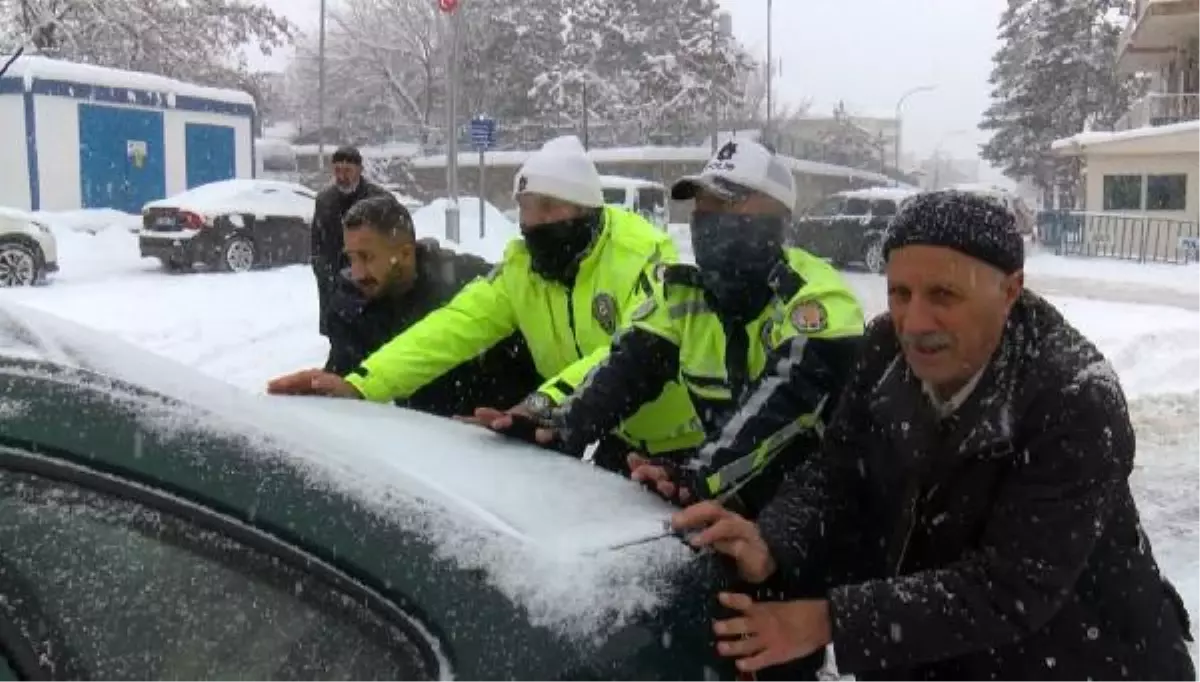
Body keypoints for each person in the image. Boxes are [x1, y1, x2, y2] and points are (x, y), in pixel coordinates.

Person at [671, 190, 1195, 681]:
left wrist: (826, 620)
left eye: (943, 294)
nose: (914, 321)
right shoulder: (883, 348)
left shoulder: (1074, 397)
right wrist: (772, 541)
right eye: (900, 292)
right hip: (938, 658)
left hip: (1088, 662)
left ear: (1009, 290)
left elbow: (1010, 589)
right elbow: (837, 475)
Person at [266, 135, 705, 462]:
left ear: (585, 208)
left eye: (549, 208)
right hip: (612, 435)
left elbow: (627, 353)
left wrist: (542, 404)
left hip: (687, 441)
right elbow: (454, 326)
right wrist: (363, 382)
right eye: (527, 208)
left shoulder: (644, 256)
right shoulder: (524, 268)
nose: (534, 223)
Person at [525, 140, 865, 517]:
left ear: (777, 215)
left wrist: (700, 477)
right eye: (701, 205)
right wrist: (562, 426)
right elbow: (630, 366)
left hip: (822, 518)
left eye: (725, 203)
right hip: (740, 508)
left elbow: (788, 399)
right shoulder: (685, 295)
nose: (707, 216)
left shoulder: (816, 297)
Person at [270, 194, 539, 417]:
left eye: (367, 257)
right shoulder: (351, 306)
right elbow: (348, 379)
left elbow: (533, 354)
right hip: (413, 449)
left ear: (405, 253)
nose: (358, 272)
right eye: (351, 258)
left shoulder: (471, 283)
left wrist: (519, 413)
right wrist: (324, 392)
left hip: (494, 441)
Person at [311, 146, 387, 336]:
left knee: (368, 337)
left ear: (360, 170)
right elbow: (317, 241)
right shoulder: (324, 200)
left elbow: (392, 240)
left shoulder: (379, 200)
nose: (342, 176)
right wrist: (322, 269)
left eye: (347, 171)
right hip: (333, 283)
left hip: (369, 284)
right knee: (338, 336)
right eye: (337, 170)